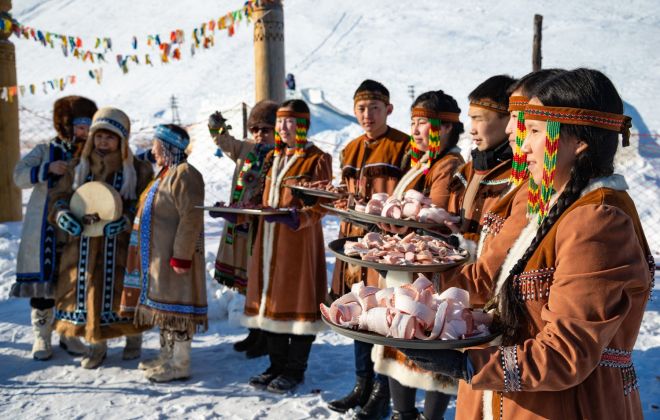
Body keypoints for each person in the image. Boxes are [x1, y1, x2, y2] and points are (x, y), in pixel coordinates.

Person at [401, 68, 653, 419]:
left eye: (533, 130)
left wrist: (469, 365)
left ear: (578, 141)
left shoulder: (598, 221)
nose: (520, 140)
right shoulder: (561, 207)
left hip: (566, 406)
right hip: (527, 399)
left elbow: (566, 353)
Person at [219, 99, 331, 393]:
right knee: (271, 304)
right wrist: (238, 209)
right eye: (280, 122)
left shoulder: (317, 158)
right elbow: (262, 199)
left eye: (289, 121)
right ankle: (276, 365)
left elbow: (323, 204)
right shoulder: (273, 158)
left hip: (297, 243)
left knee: (298, 304)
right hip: (267, 242)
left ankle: (295, 369)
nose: (282, 127)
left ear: (303, 124)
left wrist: (300, 217)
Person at [373, 90, 465, 420]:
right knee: (399, 343)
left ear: (444, 127)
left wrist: (391, 222)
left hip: (427, 273)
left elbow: (433, 216)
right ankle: (402, 413)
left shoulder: (449, 165)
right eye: (412, 122)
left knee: (423, 346)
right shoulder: (424, 163)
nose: (415, 129)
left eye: (423, 122)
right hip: (405, 268)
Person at [48, 107, 154, 369]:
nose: (103, 142)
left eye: (110, 137)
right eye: (99, 136)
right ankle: (97, 346)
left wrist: (125, 220)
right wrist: (63, 215)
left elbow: (145, 202)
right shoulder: (78, 167)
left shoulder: (138, 170)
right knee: (88, 294)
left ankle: (133, 338)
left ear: (122, 139)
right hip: (83, 244)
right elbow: (59, 198)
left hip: (120, 245)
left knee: (125, 293)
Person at [328, 80, 409, 419]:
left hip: (385, 246)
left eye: (374, 108)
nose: (367, 115)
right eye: (361, 108)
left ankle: (381, 390)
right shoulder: (349, 148)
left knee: (381, 317)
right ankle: (362, 383)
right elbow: (344, 194)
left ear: (388, 109)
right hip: (353, 246)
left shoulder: (403, 146)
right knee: (357, 316)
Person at [11, 96, 97, 360]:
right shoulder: (44, 150)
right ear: (66, 125)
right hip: (45, 228)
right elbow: (18, 176)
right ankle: (42, 338)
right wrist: (45, 169)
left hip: (77, 227)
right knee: (44, 284)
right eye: (79, 125)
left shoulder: (93, 154)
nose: (84, 131)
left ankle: (68, 335)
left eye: (88, 125)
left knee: (72, 283)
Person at [126, 124, 207, 382]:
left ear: (168, 146)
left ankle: (180, 363)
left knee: (178, 309)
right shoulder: (164, 173)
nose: (152, 150)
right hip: (159, 257)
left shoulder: (185, 174)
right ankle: (167, 356)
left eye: (155, 145)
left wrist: (181, 255)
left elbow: (191, 218)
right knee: (166, 309)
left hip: (175, 258)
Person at [209, 100, 278, 358]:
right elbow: (224, 143)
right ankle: (254, 331)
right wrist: (216, 128)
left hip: (263, 228)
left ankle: (265, 335)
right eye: (256, 129)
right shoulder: (245, 148)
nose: (261, 134)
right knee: (248, 284)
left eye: (266, 129)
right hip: (241, 228)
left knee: (261, 282)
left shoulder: (280, 155)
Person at [447, 75, 517, 257]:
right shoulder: (466, 171)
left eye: (479, 119)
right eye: (471, 119)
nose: (472, 129)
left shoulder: (520, 177)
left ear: (509, 119)